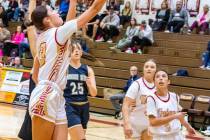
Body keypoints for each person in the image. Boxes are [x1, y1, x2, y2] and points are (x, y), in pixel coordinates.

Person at [28, 0, 106, 139]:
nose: (57, 12)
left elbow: (35, 75)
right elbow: (94, 9)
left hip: (54, 94)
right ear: (47, 20)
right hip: (48, 94)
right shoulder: (58, 34)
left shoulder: (43, 39)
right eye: (52, 11)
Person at [146, 70, 196, 140]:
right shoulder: (151, 98)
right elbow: (153, 122)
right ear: (154, 82)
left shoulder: (175, 96)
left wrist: (188, 127)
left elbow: (179, 116)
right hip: (160, 137)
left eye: (163, 76)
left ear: (168, 81)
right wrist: (174, 116)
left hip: (177, 135)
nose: (161, 78)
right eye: (157, 77)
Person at [64, 42, 97, 140]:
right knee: (80, 138)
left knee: (77, 138)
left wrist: (90, 85)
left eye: (78, 49)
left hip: (84, 107)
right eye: (73, 49)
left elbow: (94, 93)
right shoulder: (65, 68)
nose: (76, 50)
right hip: (69, 106)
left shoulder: (88, 70)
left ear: (82, 52)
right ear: (69, 53)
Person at [122, 59, 157, 140]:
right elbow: (125, 105)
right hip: (133, 124)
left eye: (152, 67)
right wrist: (126, 123)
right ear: (143, 69)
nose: (149, 69)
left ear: (155, 70)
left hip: (148, 125)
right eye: (146, 67)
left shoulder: (158, 86)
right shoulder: (137, 84)